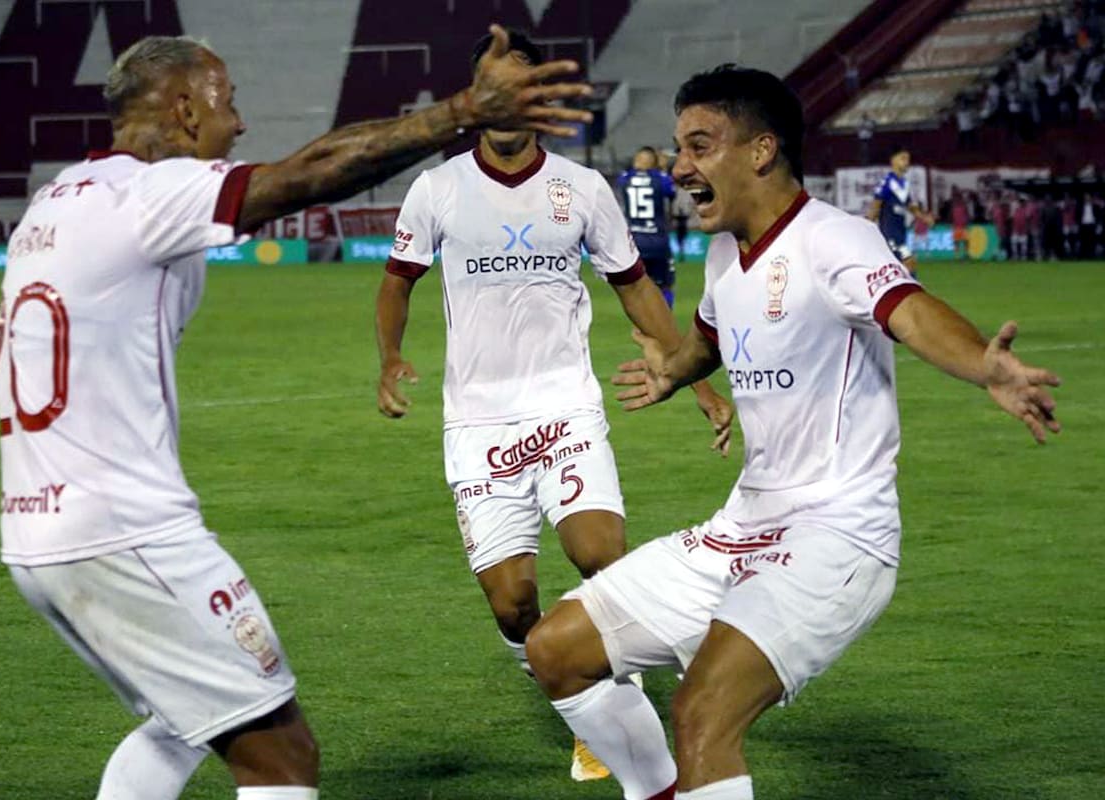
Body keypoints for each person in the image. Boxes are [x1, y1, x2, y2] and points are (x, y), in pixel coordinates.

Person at [0, 28, 595, 800]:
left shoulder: (58, 201)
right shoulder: (146, 194)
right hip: (125, 528)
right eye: (228, 103)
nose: (238, 124)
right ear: (184, 109)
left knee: (183, 720)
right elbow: (306, 177)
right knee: (281, 754)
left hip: (36, 533)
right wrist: (461, 112)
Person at [523, 65, 1061, 800]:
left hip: (836, 537)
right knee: (555, 650)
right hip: (742, 528)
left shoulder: (834, 239)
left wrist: (983, 365)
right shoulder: (723, 255)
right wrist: (673, 373)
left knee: (703, 712)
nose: (680, 167)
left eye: (700, 146)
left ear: (761, 150)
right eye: (678, 148)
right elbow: (710, 337)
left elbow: (907, 310)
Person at [374, 29, 732, 790]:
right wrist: (390, 357)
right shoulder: (437, 189)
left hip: (566, 408)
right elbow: (398, 280)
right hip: (477, 422)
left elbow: (635, 287)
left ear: (538, 100)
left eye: (518, 86)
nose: (504, 102)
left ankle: (617, 717)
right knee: (513, 604)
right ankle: (582, 700)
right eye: (491, 87)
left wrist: (694, 379)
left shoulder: (583, 188)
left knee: (600, 555)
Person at [618, 146, 678, 305]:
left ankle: (640, 321)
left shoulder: (625, 179)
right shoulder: (661, 179)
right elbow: (671, 192)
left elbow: (623, 179)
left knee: (637, 287)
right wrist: (662, 169)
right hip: (657, 241)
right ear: (654, 163)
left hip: (634, 243)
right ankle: (664, 318)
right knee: (664, 285)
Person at [866, 144, 934, 275]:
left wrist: (924, 218)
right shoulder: (887, 182)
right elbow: (876, 205)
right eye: (903, 158)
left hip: (901, 233)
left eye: (908, 159)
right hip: (889, 233)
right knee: (908, 262)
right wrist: (868, 226)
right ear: (893, 160)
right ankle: (913, 286)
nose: (907, 162)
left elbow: (911, 206)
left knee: (903, 266)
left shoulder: (904, 184)